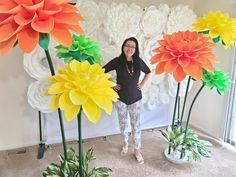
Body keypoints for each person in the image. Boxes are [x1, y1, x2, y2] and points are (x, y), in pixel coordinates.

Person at [103, 37, 151, 164]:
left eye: (133, 46)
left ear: (135, 49)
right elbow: (101, 72)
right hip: (120, 99)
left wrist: (142, 85)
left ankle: (136, 149)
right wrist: (110, 85)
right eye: (127, 45)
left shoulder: (138, 62)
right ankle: (125, 143)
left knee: (136, 125)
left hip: (136, 99)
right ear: (123, 46)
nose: (130, 48)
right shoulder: (117, 61)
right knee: (123, 123)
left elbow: (148, 72)